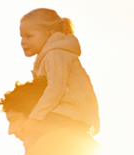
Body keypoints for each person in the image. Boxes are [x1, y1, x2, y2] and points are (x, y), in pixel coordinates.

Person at [16, 8, 100, 140]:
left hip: (71, 111)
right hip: (64, 111)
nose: (23, 41)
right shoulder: (45, 57)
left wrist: (35, 118)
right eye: (21, 36)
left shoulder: (55, 54)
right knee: (31, 135)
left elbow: (55, 88)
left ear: (51, 34)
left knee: (35, 136)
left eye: (29, 36)